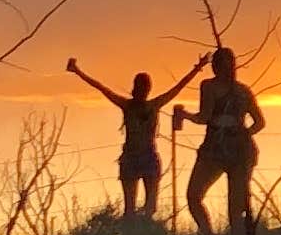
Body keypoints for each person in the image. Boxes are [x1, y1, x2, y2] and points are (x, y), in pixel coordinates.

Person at [67, 54, 204, 221]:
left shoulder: (150, 105)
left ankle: (144, 234)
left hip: (146, 156)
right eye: (141, 86)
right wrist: (78, 72)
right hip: (132, 157)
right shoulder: (132, 105)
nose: (143, 90)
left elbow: (178, 87)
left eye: (145, 87)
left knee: (149, 208)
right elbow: (101, 88)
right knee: (131, 210)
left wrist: (197, 68)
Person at [177, 45, 265, 235]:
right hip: (242, 151)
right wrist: (243, 133)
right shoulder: (244, 91)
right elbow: (259, 123)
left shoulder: (209, 86)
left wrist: (185, 116)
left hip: (216, 150)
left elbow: (204, 117)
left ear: (215, 67)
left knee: (194, 196)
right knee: (236, 210)